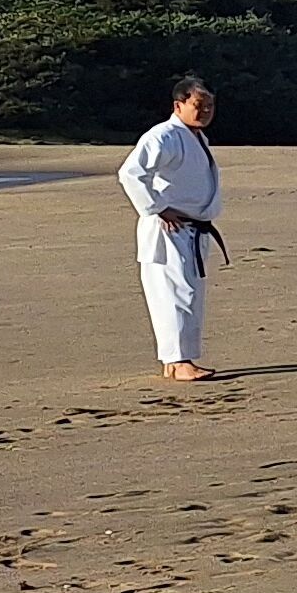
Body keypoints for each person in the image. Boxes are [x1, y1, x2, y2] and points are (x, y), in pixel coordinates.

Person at [120, 74, 228, 381]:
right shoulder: (164, 135)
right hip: (169, 230)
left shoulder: (194, 136)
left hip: (192, 229)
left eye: (209, 105)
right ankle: (180, 362)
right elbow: (131, 174)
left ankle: (176, 360)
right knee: (174, 295)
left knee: (188, 294)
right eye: (198, 104)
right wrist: (157, 207)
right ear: (178, 105)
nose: (205, 110)